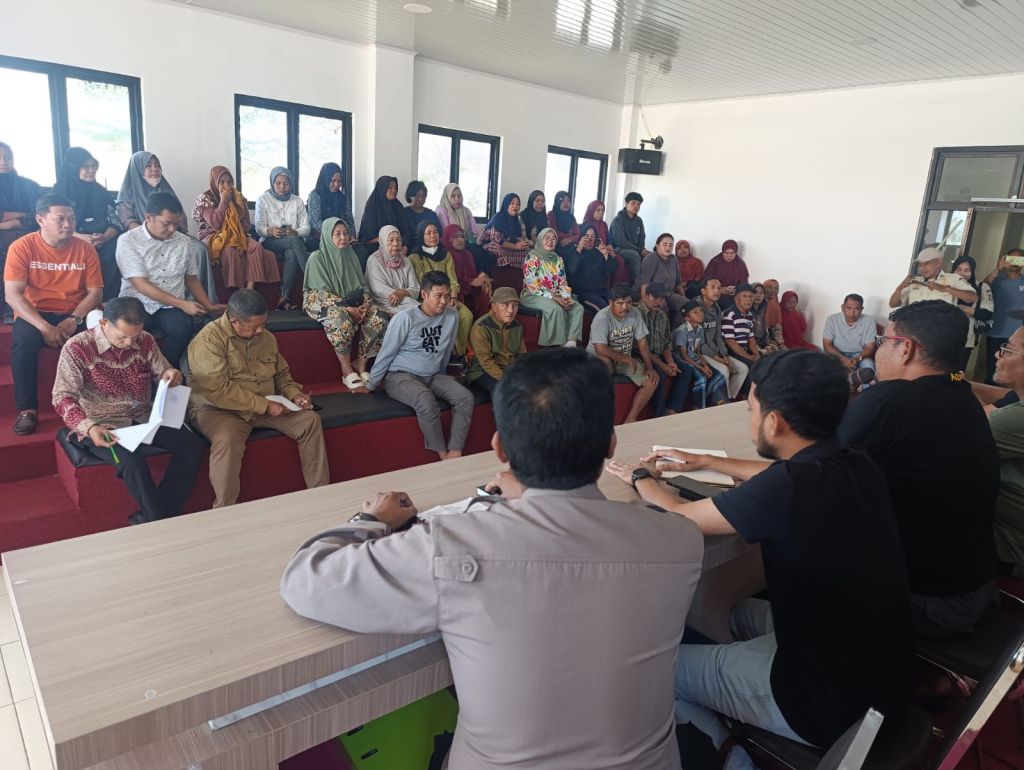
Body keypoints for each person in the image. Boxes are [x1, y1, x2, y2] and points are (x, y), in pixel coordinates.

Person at [281, 347, 705, 770]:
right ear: (611, 443)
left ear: (499, 448)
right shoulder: (681, 541)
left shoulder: (452, 545)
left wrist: (371, 520)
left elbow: (305, 581)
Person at [605, 350, 911, 769]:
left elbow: (682, 516)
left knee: (654, 673)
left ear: (774, 422)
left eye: (751, 408)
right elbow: (778, 476)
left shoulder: (789, 488)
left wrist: (640, 477)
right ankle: (729, 696)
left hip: (821, 706)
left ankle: (732, 755)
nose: (750, 417)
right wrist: (709, 461)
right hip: (877, 678)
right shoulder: (856, 463)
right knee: (717, 607)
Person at [838, 300, 999, 635]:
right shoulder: (963, 394)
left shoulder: (891, 399)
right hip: (975, 584)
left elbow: (812, 471)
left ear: (905, 349)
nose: (878, 350)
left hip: (929, 599)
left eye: (883, 341)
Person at [51, 297, 204, 525]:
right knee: (132, 462)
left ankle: (156, 515)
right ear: (104, 324)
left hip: (142, 418)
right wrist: (89, 427)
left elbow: (162, 371)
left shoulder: (145, 340)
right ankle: (160, 523)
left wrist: (171, 375)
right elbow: (61, 397)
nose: (129, 343)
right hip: (101, 424)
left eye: (135, 335)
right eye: (122, 337)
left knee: (192, 446)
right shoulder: (78, 347)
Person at [187, 289, 328, 508]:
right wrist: (264, 405)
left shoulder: (266, 337)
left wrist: (295, 395)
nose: (261, 330)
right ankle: (225, 510)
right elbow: (218, 389)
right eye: (254, 327)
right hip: (219, 409)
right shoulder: (208, 340)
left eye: (263, 324)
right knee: (227, 439)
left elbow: (281, 375)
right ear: (234, 321)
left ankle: (321, 496)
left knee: (309, 421)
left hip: (264, 403)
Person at [4, 194, 103, 435]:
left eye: (72, 218)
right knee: (23, 343)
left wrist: (74, 319)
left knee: (100, 337)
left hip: (74, 311)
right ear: (40, 219)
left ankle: (99, 404)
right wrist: (44, 327)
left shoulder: (85, 249)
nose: (68, 225)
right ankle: (27, 409)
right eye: (60, 219)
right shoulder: (22, 247)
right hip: (35, 312)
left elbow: (95, 293)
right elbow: (13, 295)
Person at [364, 272, 474, 461]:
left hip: (433, 375)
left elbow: (446, 348)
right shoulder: (405, 318)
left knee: (465, 397)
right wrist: (371, 385)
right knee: (426, 401)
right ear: (424, 294)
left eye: (447, 295)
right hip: (400, 376)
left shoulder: (452, 316)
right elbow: (386, 353)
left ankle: (455, 451)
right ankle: (442, 455)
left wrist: (442, 376)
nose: (444, 301)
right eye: (438, 296)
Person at [115, 192, 224, 368]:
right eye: (166, 223)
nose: (173, 229)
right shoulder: (128, 240)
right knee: (129, 328)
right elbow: (141, 285)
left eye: (176, 223)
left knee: (181, 328)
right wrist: (183, 304)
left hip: (170, 306)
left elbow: (191, 279)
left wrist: (208, 305)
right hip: (137, 301)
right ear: (149, 217)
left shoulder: (184, 242)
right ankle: (136, 374)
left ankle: (165, 373)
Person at [115, 151, 218, 304]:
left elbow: (179, 217)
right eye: (149, 166)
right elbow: (128, 221)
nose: (154, 169)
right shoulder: (128, 194)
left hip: (173, 236)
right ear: (138, 168)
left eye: (157, 165)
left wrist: (173, 231)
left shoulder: (165, 188)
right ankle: (183, 303)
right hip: (144, 238)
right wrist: (150, 233)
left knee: (199, 249)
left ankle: (200, 300)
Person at [302, 217, 386, 390]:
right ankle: (346, 369)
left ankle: (361, 363)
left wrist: (366, 303)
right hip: (321, 301)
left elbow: (363, 286)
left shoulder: (351, 255)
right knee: (341, 320)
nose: (343, 237)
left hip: (351, 301)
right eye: (337, 234)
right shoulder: (317, 257)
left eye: (346, 233)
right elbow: (320, 293)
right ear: (328, 236)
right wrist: (348, 309)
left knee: (379, 317)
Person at [193, 166, 281, 292]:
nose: (226, 186)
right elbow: (215, 224)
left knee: (256, 247)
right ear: (214, 182)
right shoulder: (204, 198)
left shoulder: (238, 197)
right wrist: (224, 202)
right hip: (213, 235)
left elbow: (246, 225)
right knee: (231, 251)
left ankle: (249, 290)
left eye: (229, 182)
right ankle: (238, 290)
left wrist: (236, 226)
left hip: (237, 234)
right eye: (221, 182)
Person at [53, 147, 122, 300]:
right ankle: (80, 302)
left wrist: (104, 237)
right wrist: (80, 237)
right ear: (73, 168)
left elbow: (116, 219)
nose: (91, 170)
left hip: (103, 239)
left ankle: (109, 302)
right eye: (86, 167)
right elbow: (54, 224)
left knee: (116, 248)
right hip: (71, 237)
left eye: (93, 166)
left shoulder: (101, 191)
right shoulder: (59, 193)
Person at [587, 283, 659, 423]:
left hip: (622, 359)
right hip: (598, 359)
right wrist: (627, 358)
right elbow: (600, 349)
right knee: (605, 362)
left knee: (652, 381)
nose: (625, 307)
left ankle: (631, 418)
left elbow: (642, 342)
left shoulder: (635, 313)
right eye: (620, 303)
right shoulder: (602, 318)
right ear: (611, 303)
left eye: (628, 302)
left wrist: (649, 367)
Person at [408, 221, 474, 358]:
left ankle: (458, 353)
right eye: (428, 233)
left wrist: (453, 298)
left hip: (447, 297)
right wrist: (437, 298)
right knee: (441, 318)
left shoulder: (445, 255)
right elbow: (420, 284)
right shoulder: (415, 257)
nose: (433, 236)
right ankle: (440, 352)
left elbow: (453, 280)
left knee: (466, 316)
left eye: (436, 232)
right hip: (427, 299)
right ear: (421, 236)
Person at [989, 325, 1024, 577]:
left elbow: (955, 440)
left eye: (1008, 350)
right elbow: (1000, 399)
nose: (997, 354)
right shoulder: (1016, 400)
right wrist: (955, 381)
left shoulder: (1015, 419)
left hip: (1011, 545)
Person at [255, 167, 310, 311]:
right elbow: (259, 227)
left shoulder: (297, 201)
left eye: (286, 183)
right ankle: (313, 280)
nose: (282, 187)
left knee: (291, 251)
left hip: (292, 243)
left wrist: (295, 231)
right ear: (272, 183)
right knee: (294, 242)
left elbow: (306, 228)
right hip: (271, 242)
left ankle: (283, 298)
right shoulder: (263, 199)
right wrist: (269, 230)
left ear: (291, 184)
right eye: (278, 183)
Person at [520, 228, 584, 347]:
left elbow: (563, 282)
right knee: (556, 309)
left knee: (577, 308)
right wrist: (554, 297)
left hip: (555, 295)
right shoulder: (532, 257)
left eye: (554, 239)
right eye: (547, 238)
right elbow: (532, 285)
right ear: (540, 239)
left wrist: (566, 298)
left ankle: (571, 343)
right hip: (532, 295)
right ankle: (556, 346)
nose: (550, 242)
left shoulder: (558, 259)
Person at [0, 142, 42, 322]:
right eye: (0, 157)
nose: (4, 161)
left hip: (26, 234)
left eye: (7, 157)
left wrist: (7, 222)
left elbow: (38, 216)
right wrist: (20, 215)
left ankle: (18, 308)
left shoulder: (29, 186)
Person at [636, 283, 692, 417]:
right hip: (641, 355)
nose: (658, 302)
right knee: (659, 374)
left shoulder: (662, 316)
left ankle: (672, 409)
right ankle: (658, 415)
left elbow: (666, 344)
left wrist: (671, 363)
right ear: (646, 296)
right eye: (655, 298)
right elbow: (640, 347)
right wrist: (663, 365)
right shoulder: (637, 315)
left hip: (658, 355)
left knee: (686, 370)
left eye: (661, 299)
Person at [465, 286, 527, 395]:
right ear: (494, 307)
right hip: (482, 371)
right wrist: (507, 379)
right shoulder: (481, 327)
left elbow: (521, 354)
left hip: (508, 369)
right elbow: (486, 362)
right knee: (505, 392)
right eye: (505, 305)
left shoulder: (517, 326)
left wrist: (520, 373)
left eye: (514, 305)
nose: (511, 310)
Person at [673, 300, 729, 409]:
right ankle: (699, 407)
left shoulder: (700, 329)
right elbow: (684, 356)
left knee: (719, 375)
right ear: (687, 318)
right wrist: (701, 368)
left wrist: (706, 366)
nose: (700, 314)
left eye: (700, 310)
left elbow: (697, 352)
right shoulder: (681, 331)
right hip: (682, 360)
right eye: (695, 312)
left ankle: (721, 403)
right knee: (701, 379)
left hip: (693, 358)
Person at [698, 278, 748, 399]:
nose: (717, 291)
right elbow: (699, 342)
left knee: (743, 369)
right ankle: (720, 401)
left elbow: (718, 335)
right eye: (712, 287)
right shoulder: (696, 309)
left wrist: (724, 355)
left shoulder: (717, 309)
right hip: (700, 352)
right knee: (724, 370)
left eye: (719, 288)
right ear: (703, 291)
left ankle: (728, 399)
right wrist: (717, 358)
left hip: (715, 351)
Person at [889, 246, 977, 310]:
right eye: (920, 265)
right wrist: (899, 288)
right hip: (914, 326)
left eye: (926, 264)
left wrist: (945, 288)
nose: (922, 269)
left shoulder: (953, 279)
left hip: (940, 328)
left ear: (939, 263)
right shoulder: (915, 281)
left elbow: (973, 298)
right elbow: (893, 304)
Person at [984, 249, 1024, 384]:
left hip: (1018, 334)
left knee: (1015, 371)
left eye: (1018, 259)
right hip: (996, 330)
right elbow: (983, 286)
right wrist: (998, 268)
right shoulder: (998, 281)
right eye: (1011, 259)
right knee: (993, 369)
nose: (1014, 262)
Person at [949, 255, 994, 373]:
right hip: (940, 337)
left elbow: (987, 314)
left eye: (967, 270)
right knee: (938, 373)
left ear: (972, 271)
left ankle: (956, 385)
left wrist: (966, 309)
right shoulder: (944, 286)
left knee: (957, 374)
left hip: (966, 339)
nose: (962, 273)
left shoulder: (981, 287)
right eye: (958, 269)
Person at [365, 224, 420, 317]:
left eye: (398, 240)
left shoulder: (405, 260)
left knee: (419, 310)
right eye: (391, 240)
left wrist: (401, 293)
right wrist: (397, 295)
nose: (395, 244)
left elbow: (415, 288)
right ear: (382, 241)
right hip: (383, 303)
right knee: (417, 311)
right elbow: (378, 289)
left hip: (406, 300)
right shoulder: (374, 261)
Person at [822, 293, 877, 384]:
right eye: (848, 308)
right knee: (823, 369)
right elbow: (827, 346)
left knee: (869, 369)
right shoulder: (832, 319)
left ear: (862, 309)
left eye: (857, 309)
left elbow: (869, 347)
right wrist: (844, 360)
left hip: (859, 355)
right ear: (842, 307)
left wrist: (857, 358)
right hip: (836, 353)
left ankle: (864, 390)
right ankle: (845, 383)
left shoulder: (869, 321)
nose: (852, 312)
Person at [441, 224, 492, 319]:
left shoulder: (467, 255)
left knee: (485, 293)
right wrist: (472, 282)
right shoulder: (444, 256)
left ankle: (483, 325)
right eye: (455, 237)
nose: (460, 240)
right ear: (448, 238)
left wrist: (482, 279)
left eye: (462, 236)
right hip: (453, 292)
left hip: (469, 290)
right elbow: (450, 281)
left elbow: (473, 277)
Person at [565, 224, 617, 312]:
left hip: (602, 291)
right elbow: (571, 271)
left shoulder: (599, 252)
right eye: (587, 236)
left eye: (592, 236)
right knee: (604, 310)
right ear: (581, 238)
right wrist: (579, 249)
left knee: (617, 305)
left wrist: (605, 254)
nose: (589, 239)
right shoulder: (574, 252)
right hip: (584, 293)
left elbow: (612, 269)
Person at [305, 162, 355, 252]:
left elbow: (349, 219)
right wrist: (333, 234)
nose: (336, 184)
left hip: (341, 238)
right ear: (325, 179)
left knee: (360, 251)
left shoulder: (343, 198)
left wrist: (352, 236)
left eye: (339, 181)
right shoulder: (315, 195)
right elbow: (315, 222)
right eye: (333, 181)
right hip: (320, 238)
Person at [639, 233, 687, 326]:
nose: (668, 248)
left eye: (670, 245)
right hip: (654, 295)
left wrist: (683, 297)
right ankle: (661, 332)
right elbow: (645, 283)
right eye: (664, 244)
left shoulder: (674, 259)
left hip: (669, 293)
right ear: (657, 246)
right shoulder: (650, 259)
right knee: (662, 307)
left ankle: (675, 330)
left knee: (687, 305)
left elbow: (678, 282)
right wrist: (645, 300)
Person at [480, 192, 532, 272]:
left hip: (510, 246)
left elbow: (522, 237)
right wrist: (515, 246)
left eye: (518, 204)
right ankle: (504, 267)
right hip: (491, 244)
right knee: (495, 248)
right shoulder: (498, 218)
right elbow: (495, 240)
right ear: (506, 204)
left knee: (527, 251)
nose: (515, 206)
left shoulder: (519, 220)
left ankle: (515, 266)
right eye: (512, 203)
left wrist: (527, 243)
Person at [583, 199, 628, 284]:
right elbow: (588, 242)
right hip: (593, 251)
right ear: (591, 211)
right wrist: (604, 249)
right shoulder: (586, 224)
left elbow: (609, 238)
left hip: (605, 250)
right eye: (598, 210)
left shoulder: (604, 224)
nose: (601, 213)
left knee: (620, 260)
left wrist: (610, 246)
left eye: (602, 210)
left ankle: (615, 287)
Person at [358, 176, 410, 246]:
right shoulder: (372, 207)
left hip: (398, 247)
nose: (394, 190)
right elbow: (366, 239)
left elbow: (406, 232)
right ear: (382, 189)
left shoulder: (398, 206)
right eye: (390, 188)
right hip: (376, 248)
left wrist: (404, 245)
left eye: (395, 188)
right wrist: (387, 241)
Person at [609, 192, 647, 286]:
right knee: (634, 255)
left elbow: (642, 237)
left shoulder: (639, 220)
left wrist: (642, 249)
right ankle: (638, 286)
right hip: (618, 249)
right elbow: (621, 242)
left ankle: (650, 285)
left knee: (652, 255)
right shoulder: (618, 220)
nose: (636, 206)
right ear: (626, 203)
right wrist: (639, 250)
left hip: (634, 248)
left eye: (638, 204)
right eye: (633, 203)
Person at [722, 284, 761, 373]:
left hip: (744, 351)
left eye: (751, 296)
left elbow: (751, 338)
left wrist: (757, 355)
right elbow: (730, 341)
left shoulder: (749, 315)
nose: (748, 299)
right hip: (731, 352)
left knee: (763, 363)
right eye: (745, 296)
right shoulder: (730, 314)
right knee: (752, 367)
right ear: (736, 298)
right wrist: (748, 357)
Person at [703, 240, 749, 309]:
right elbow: (707, 281)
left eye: (732, 253)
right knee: (725, 301)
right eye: (726, 253)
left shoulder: (740, 264)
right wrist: (720, 289)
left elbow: (743, 283)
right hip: (716, 291)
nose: (729, 256)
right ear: (722, 252)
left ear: (736, 253)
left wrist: (736, 290)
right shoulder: (715, 262)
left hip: (733, 294)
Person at [402, 180, 441, 252]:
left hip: (429, 250)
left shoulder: (431, 214)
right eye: (417, 196)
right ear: (410, 196)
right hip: (409, 250)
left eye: (423, 196)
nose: (420, 199)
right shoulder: (403, 213)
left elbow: (439, 233)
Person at [750, 282, 784, 355]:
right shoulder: (746, 312)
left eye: (761, 293)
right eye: (755, 292)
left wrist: (768, 345)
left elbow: (765, 334)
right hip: (751, 347)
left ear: (764, 295)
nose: (758, 295)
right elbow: (747, 338)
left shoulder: (762, 312)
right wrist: (762, 350)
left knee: (782, 352)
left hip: (762, 344)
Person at [547, 191, 580, 258]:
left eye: (568, 200)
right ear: (557, 202)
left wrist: (569, 239)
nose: (566, 203)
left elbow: (578, 234)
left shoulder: (571, 217)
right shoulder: (551, 215)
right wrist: (569, 236)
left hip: (570, 248)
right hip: (554, 247)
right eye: (563, 200)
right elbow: (553, 232)